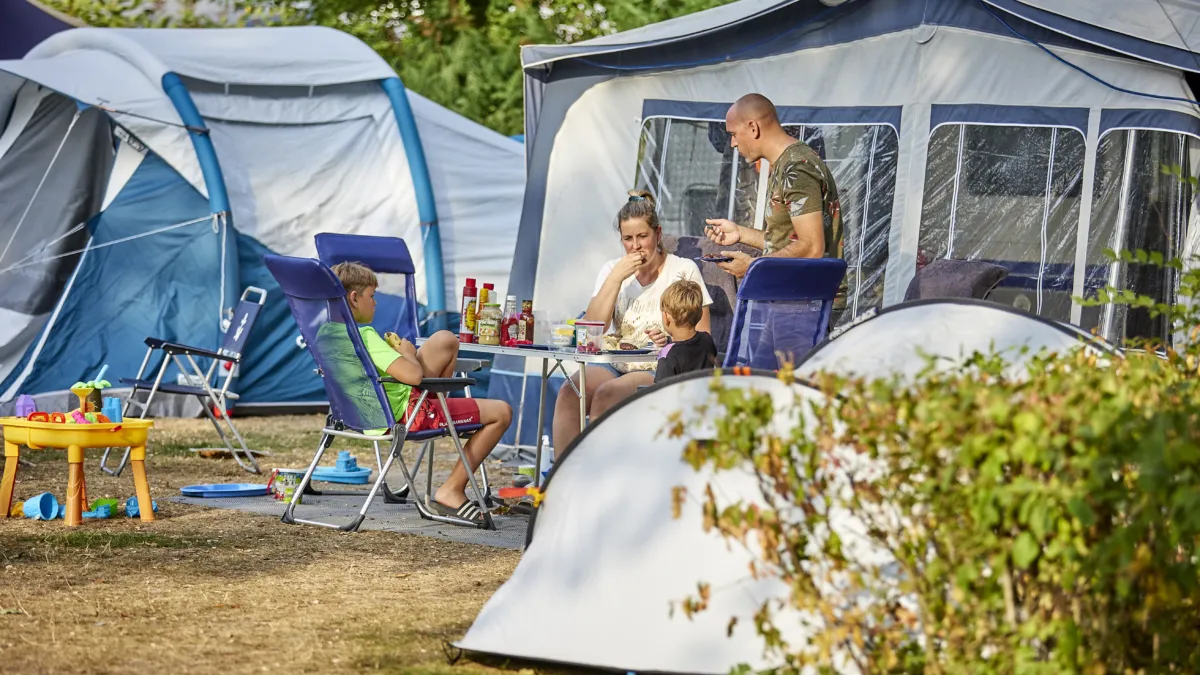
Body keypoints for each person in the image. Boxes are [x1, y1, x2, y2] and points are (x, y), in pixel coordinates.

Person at [331, 261, 512, 525]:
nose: (376, 303)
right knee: (502, 412)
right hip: (405, 416)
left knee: (445, 340)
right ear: (354, 298)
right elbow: (414, 376)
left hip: (365, 415)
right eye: (372, 296)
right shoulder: (364, 336)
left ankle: (446, 416)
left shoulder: (327, 335)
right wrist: (406, 353)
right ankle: (450, 489)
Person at [552, 190, 713, 455]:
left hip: (660, 365)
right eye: (628, 239)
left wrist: (671, 342)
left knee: (607, 395)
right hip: (615, 362)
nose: (636, 246)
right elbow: (592, 330)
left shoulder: (682, 270)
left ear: (658, 234)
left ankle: (600, 478)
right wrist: (615, 279)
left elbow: (703, 336)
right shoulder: (613, 270)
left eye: (642, 237)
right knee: (571, 391)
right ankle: (560, 480)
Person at [704, 93, 844, 281]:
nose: (733, 143)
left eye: (733, 134)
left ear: (753, 128)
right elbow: (785, 243)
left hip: (808, 299)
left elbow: (811, 247)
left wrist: (752, 266)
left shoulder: (797, 168)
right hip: (795, 294)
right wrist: (740, 233)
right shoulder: (785, 164)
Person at [654, 279, 717, 383]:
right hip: (705, 397)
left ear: (666, 317)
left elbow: (661, 393)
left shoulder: (667, 355)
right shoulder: (707, 339)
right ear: (700, 314)